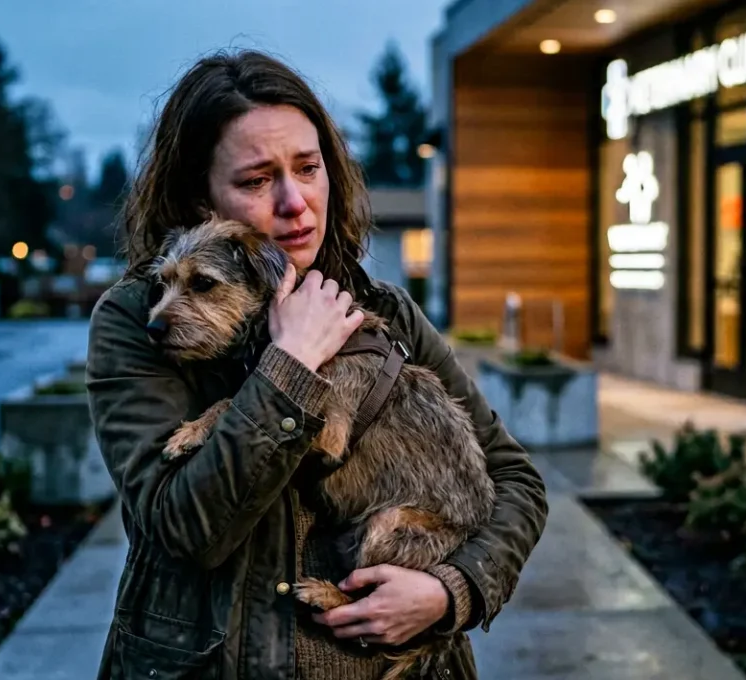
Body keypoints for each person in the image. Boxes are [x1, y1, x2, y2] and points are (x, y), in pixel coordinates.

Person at [84, 49, 547, 680]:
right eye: (254, 181)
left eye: (308, 167)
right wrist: (291, 363)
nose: (295, 203)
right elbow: (186, 529)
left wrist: (451, 590)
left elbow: (516, 480)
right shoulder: (141, 325)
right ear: (201, 199)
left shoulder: (385, 313)